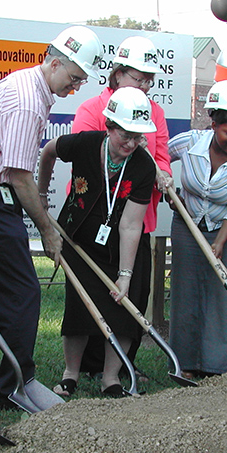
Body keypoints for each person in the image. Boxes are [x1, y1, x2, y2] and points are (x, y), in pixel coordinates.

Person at [0, 25, 103, 409]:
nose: (74, 88)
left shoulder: (35, 89)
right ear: (53, 63)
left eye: (81, 82)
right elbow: (20, 176)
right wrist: (47, 230)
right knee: (22, 291)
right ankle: (18, 383)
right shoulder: (26, 100)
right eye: (72, 78)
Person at [37, 87, 157, 396]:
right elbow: (49, 150)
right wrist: (40, 192)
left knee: (122, 310)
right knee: (79, 309)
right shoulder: (85, 144)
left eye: (138, 137)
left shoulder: (143, 165)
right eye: (125, 135)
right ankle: (70, 374)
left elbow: (131, 224)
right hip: (77, 240)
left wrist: (125, 275)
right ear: (110, 126)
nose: (131, 144)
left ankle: (111, 379)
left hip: (118, 248)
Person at [71, 35, 172, 374]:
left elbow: (161, 157)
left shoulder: (155, 112)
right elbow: (84, 161)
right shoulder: (92, 110)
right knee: (91, 295)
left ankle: (122, 366)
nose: (143, 84)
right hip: (97, 218)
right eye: (136, 76)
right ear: (118, 73)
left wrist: (163, 174)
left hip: (138, 215)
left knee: (132, 293)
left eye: (148, 79)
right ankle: (88, 365)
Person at [167, 81, 227, 378]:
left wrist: (219, 243)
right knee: (186, 291)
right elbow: (159, 161)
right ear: (213, 124)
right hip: (188, 225)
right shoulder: (189, 143)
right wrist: (169, 193)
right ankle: (186, 364)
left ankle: (219, 366)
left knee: (225, 294)